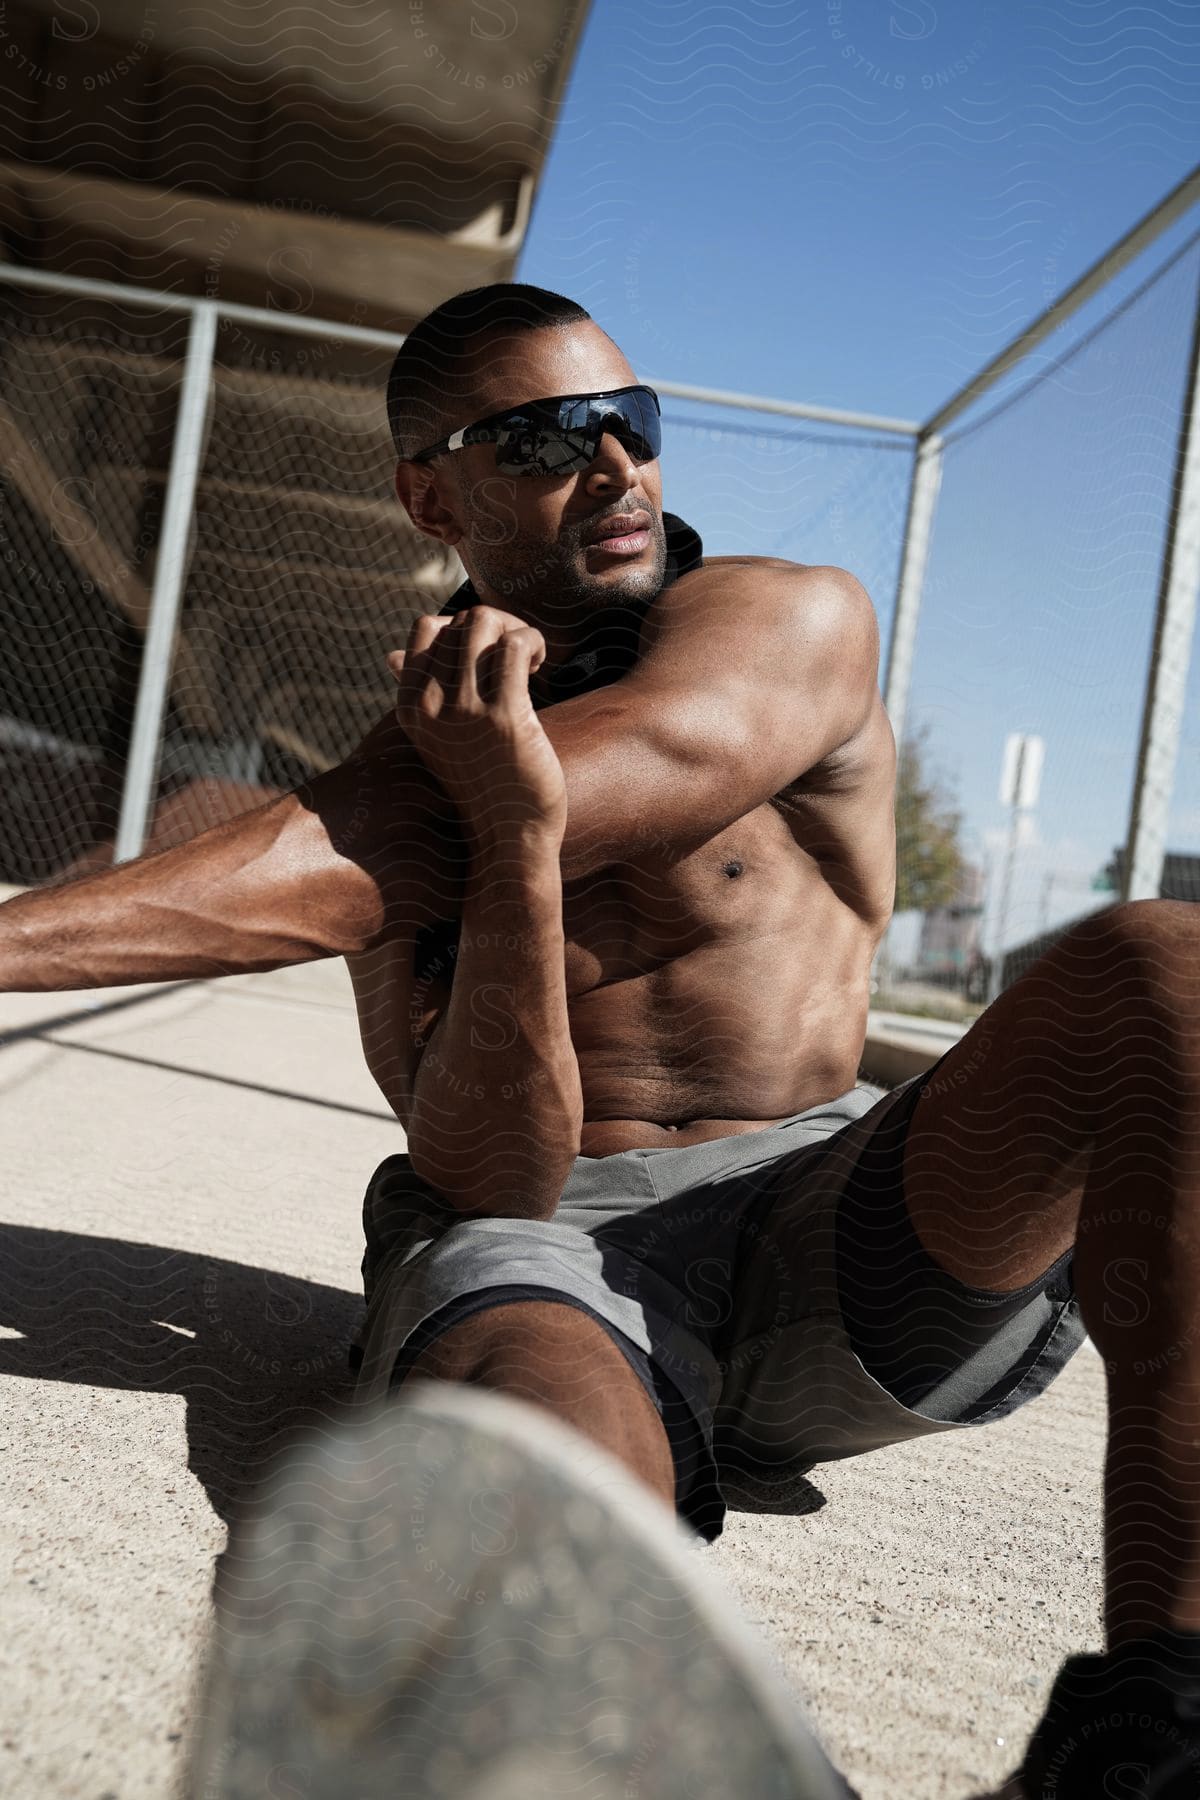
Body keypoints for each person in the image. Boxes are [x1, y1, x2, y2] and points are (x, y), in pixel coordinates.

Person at [6, 283, 1200, 1799]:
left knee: (1165, 964)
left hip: (831, 1229)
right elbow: (490, 1172)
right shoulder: (403, 758)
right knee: (527, 1467)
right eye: (548, 439)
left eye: (632, 424)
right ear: (428, 490)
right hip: (546, 1242)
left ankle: (1157, 1734)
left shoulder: (786, 620)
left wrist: (484, 809)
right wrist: (506, 849)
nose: (619, 469)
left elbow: (519, 798)